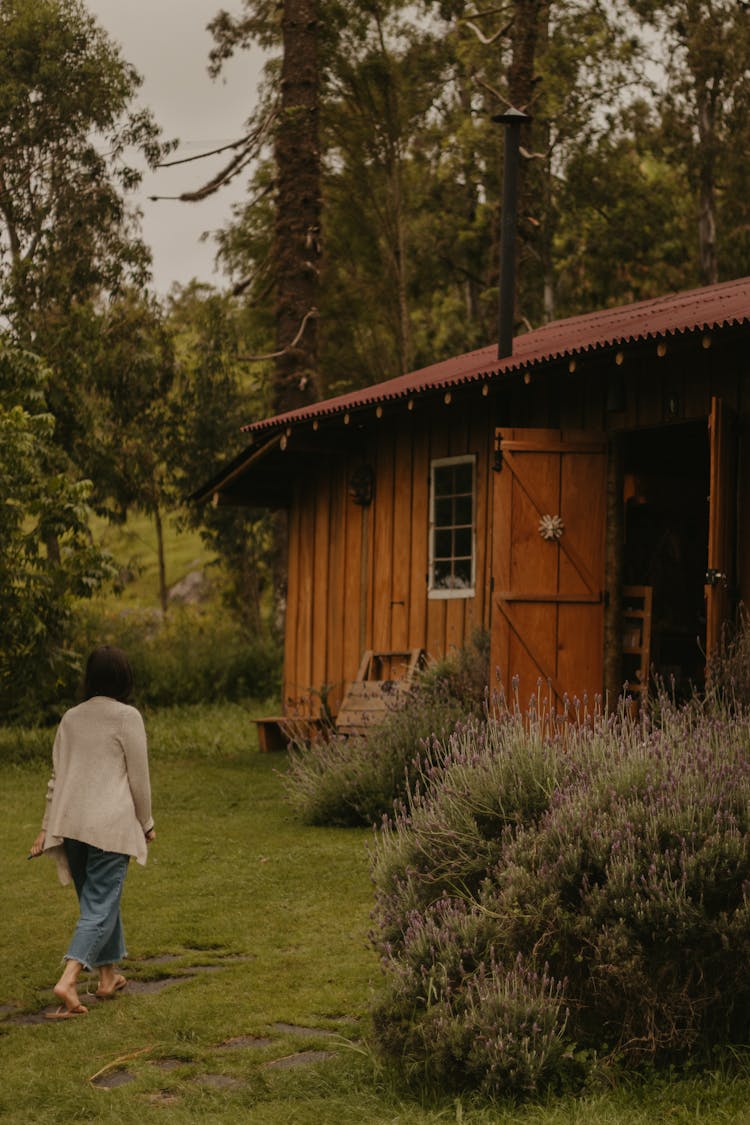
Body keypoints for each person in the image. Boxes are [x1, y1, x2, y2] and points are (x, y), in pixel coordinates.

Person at [29, 645, 155, 1020]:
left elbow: (57, 778)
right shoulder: (126, 717)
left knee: (97, 902)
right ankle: (69, 979)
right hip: (108, 826)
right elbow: (140, 779)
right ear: (124, 677)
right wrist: (146, 822)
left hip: (72, 827)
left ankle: (107, 977)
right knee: (100, 904)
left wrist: (47, 826)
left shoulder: (70, 718)